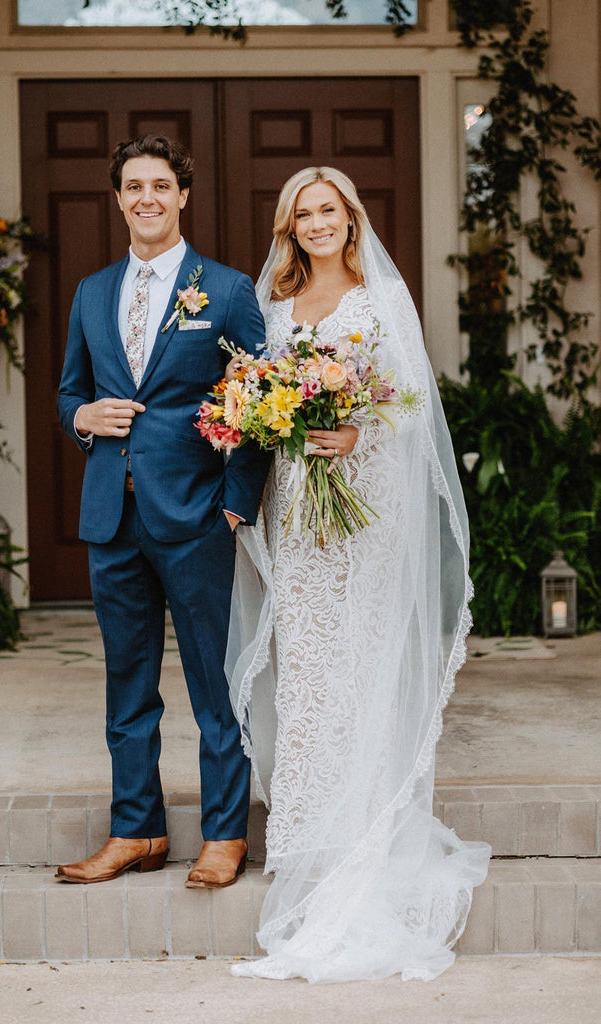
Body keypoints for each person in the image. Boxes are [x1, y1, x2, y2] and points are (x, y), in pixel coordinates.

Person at [226, 167, 491, 982]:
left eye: (326, 211)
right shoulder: (272, 309)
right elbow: (255, 408)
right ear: (288, 227)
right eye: (301, 214)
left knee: (363, 664)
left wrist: (354, 435)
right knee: (309, 671)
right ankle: (314, 837)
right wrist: (267, 417)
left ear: (350, 219)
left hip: (367, 510)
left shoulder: (382, 301)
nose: (315, 223)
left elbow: (411, 409)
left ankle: (368, 832)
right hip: (297, 511)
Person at [56, 134, 270, 888]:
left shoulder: (227, 289)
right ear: (118, 199)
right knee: (127, 685)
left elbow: (261, 402)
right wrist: (83, 418)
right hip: (110, 519)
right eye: (133, 187)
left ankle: (224, 834)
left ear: (183, 196)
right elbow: (70, 391)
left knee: (215, 685)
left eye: (160, 186)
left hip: (197, 518)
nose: (146, 198)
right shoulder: (91, 292)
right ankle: (136, 830)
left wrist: (234, 505)